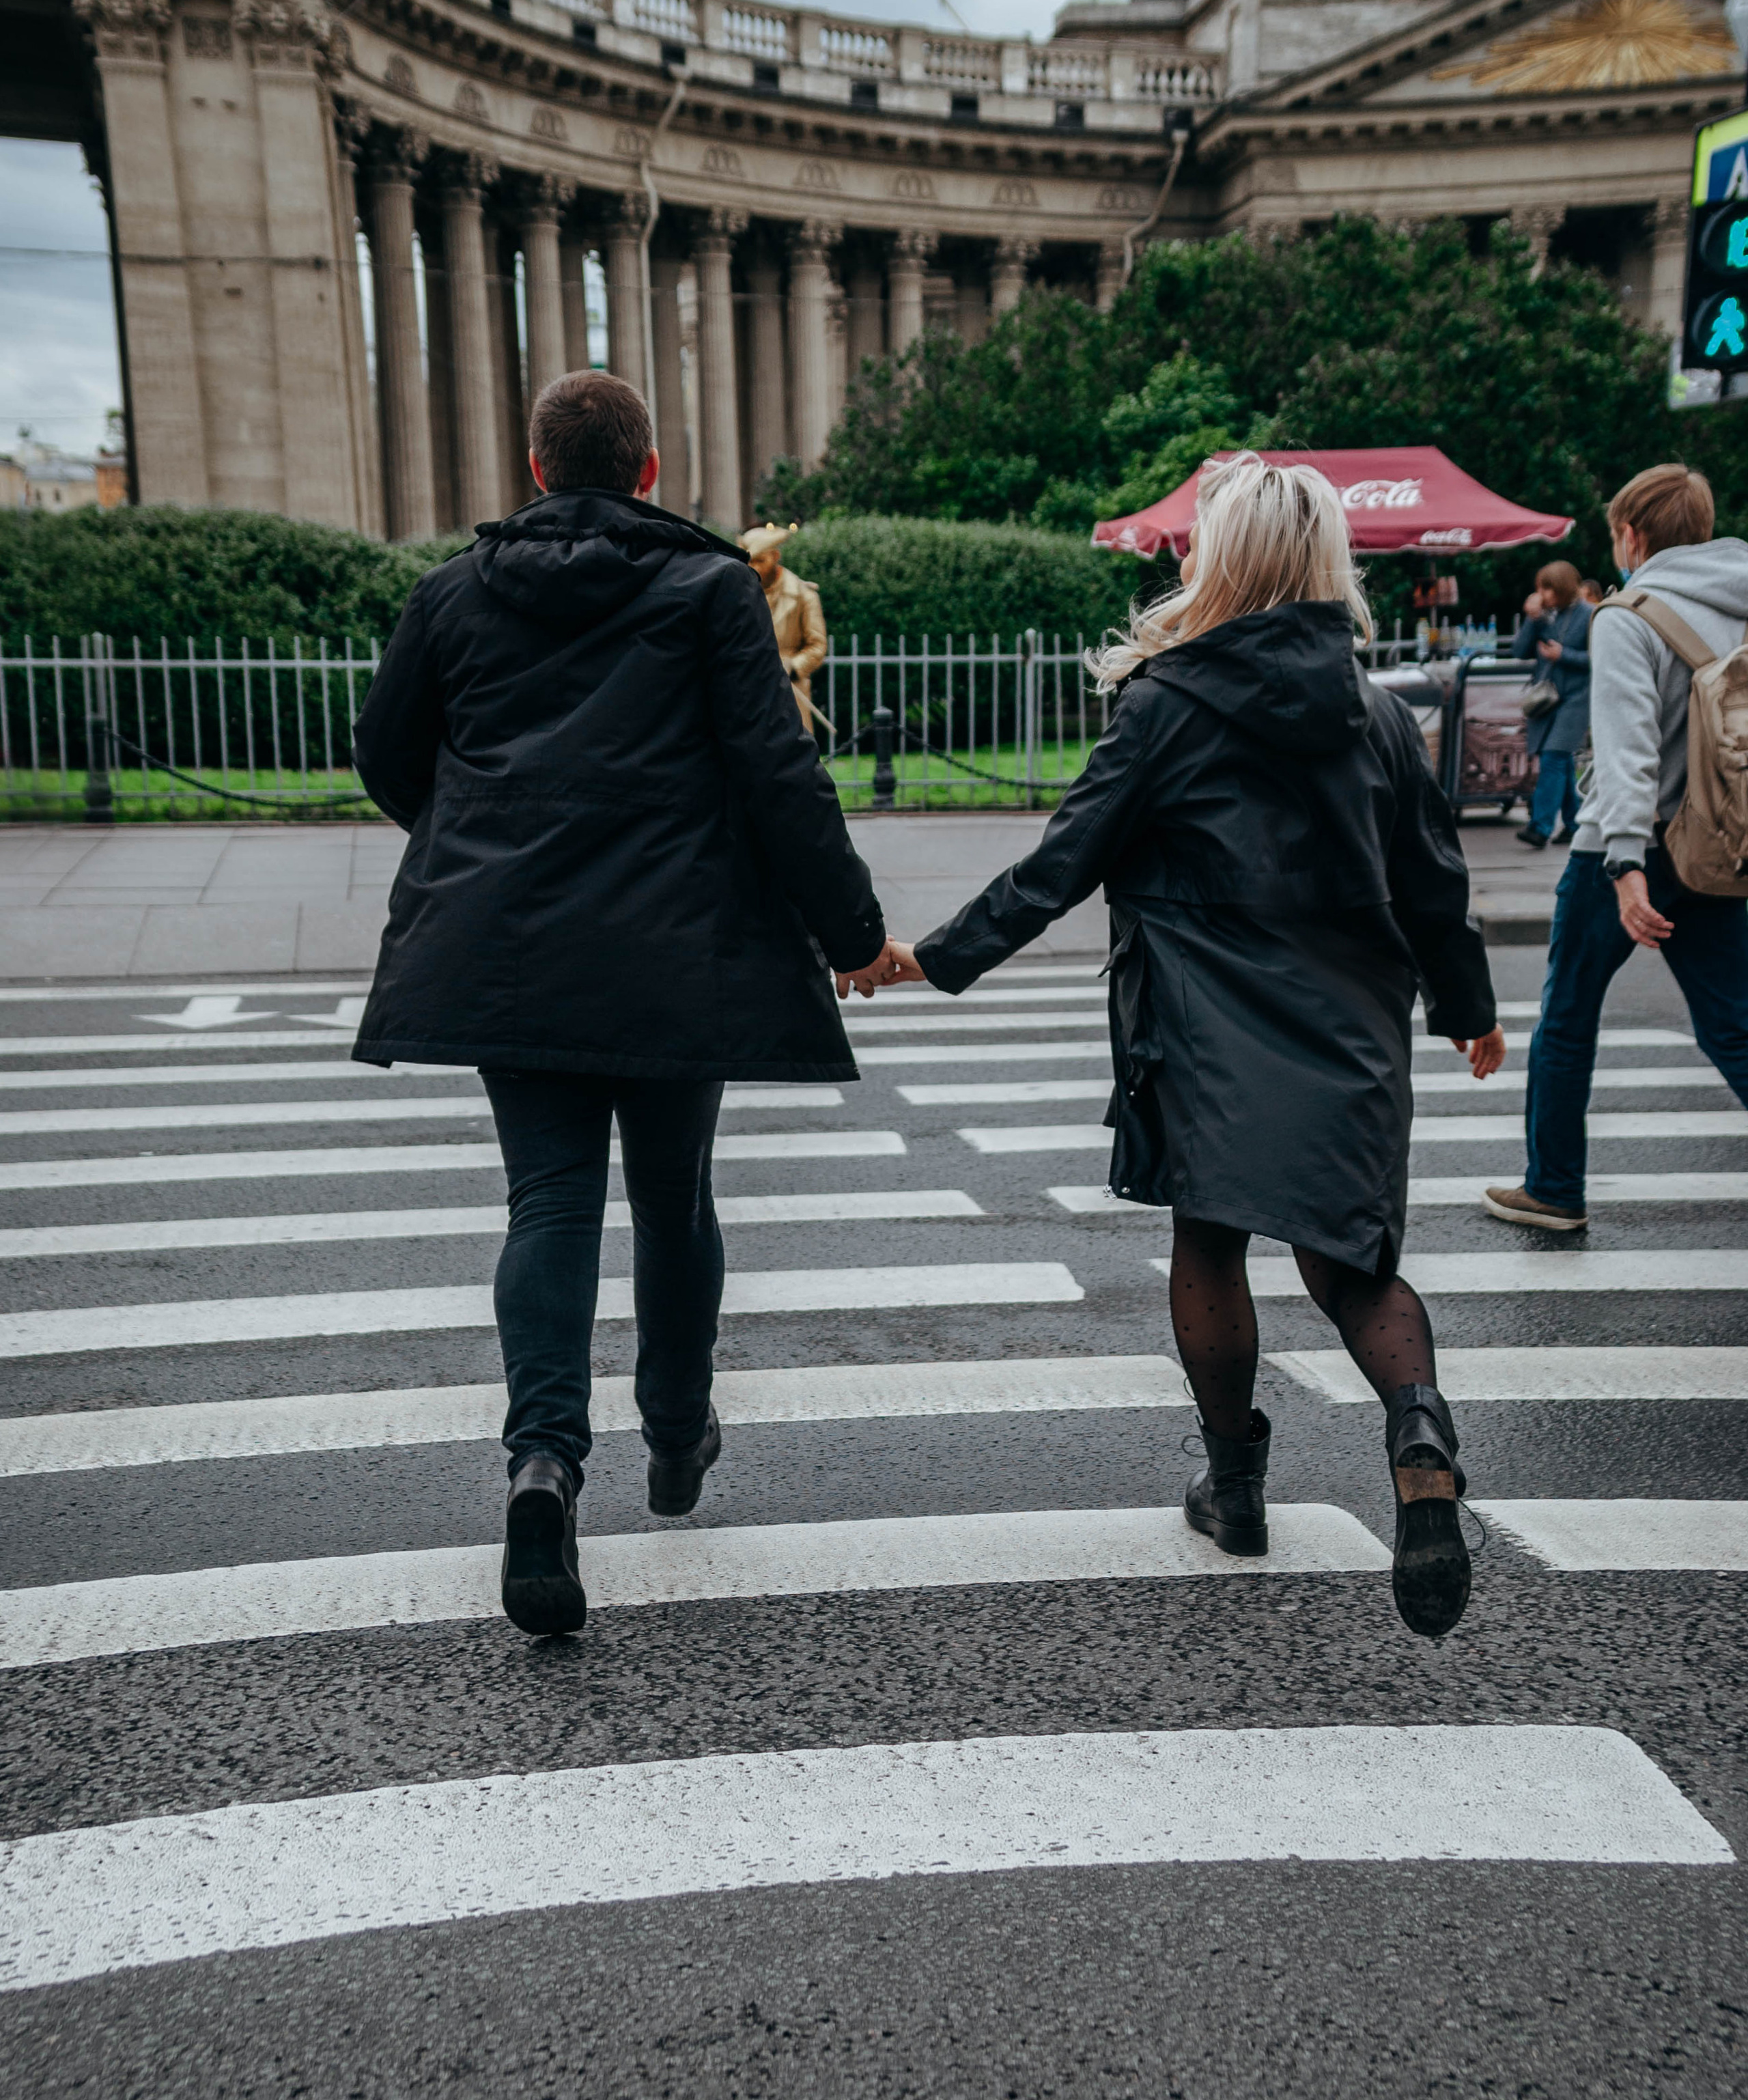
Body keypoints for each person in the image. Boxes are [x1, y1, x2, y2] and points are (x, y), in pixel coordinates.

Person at [875, 453, 1504, 1640]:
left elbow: (1063, 863)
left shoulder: (1167, 703)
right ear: (1325, 563)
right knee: (1353, 1264)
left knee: (1209, 1240)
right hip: (1348, 1024)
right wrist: (1467, 1011)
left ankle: (1238, 1484)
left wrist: (937, 956)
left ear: (1220, 560)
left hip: (1204, 1021)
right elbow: (1436, 888)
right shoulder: (1378, 715)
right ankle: (1419, 1432)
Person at [350, 372, 892, 1638]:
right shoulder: (708, 589)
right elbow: (778, 774)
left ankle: (542, 1462)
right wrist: (852, 931)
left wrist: (481, 829)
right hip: (673, 947)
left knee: (546, 1199)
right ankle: (674, 1426)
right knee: (672, 1194)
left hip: (510, 951)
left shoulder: (452, 594)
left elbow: (385, 755)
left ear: (536, 469)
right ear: (648, 471)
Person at [1486, 462, 1748, 1234]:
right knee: (1733, 1022)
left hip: (1623, 849)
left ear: (1630, 535)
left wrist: (1627, 865)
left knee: (1568, 1014)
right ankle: (1550, 1183)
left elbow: (1631, 750)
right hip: (1718, 841)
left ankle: (1553, 1187)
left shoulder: (1627, 616)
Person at [1512, 560, 1591, 848]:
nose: (1543, 594)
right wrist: (1532, 619)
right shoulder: (1546, 616)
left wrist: (1564, 655)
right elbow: (1520, 651)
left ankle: (1540, 827)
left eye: (1548, 588)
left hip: (1577, 699)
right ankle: (1574, 823)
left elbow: (1599, 658)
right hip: (1549, 699)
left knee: (1554, 757)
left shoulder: (1590, 614)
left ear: (1562, 588)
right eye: (1540, 588)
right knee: (1563, 762)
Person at [743, 520, 829, 733]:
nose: (754, 568)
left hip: (789, 693)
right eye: (749, 562)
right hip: (746, 690)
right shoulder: (737, 594)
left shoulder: (804, 596)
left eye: (760, 561)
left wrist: (793, 666)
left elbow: (817, 646)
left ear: (775, 557)